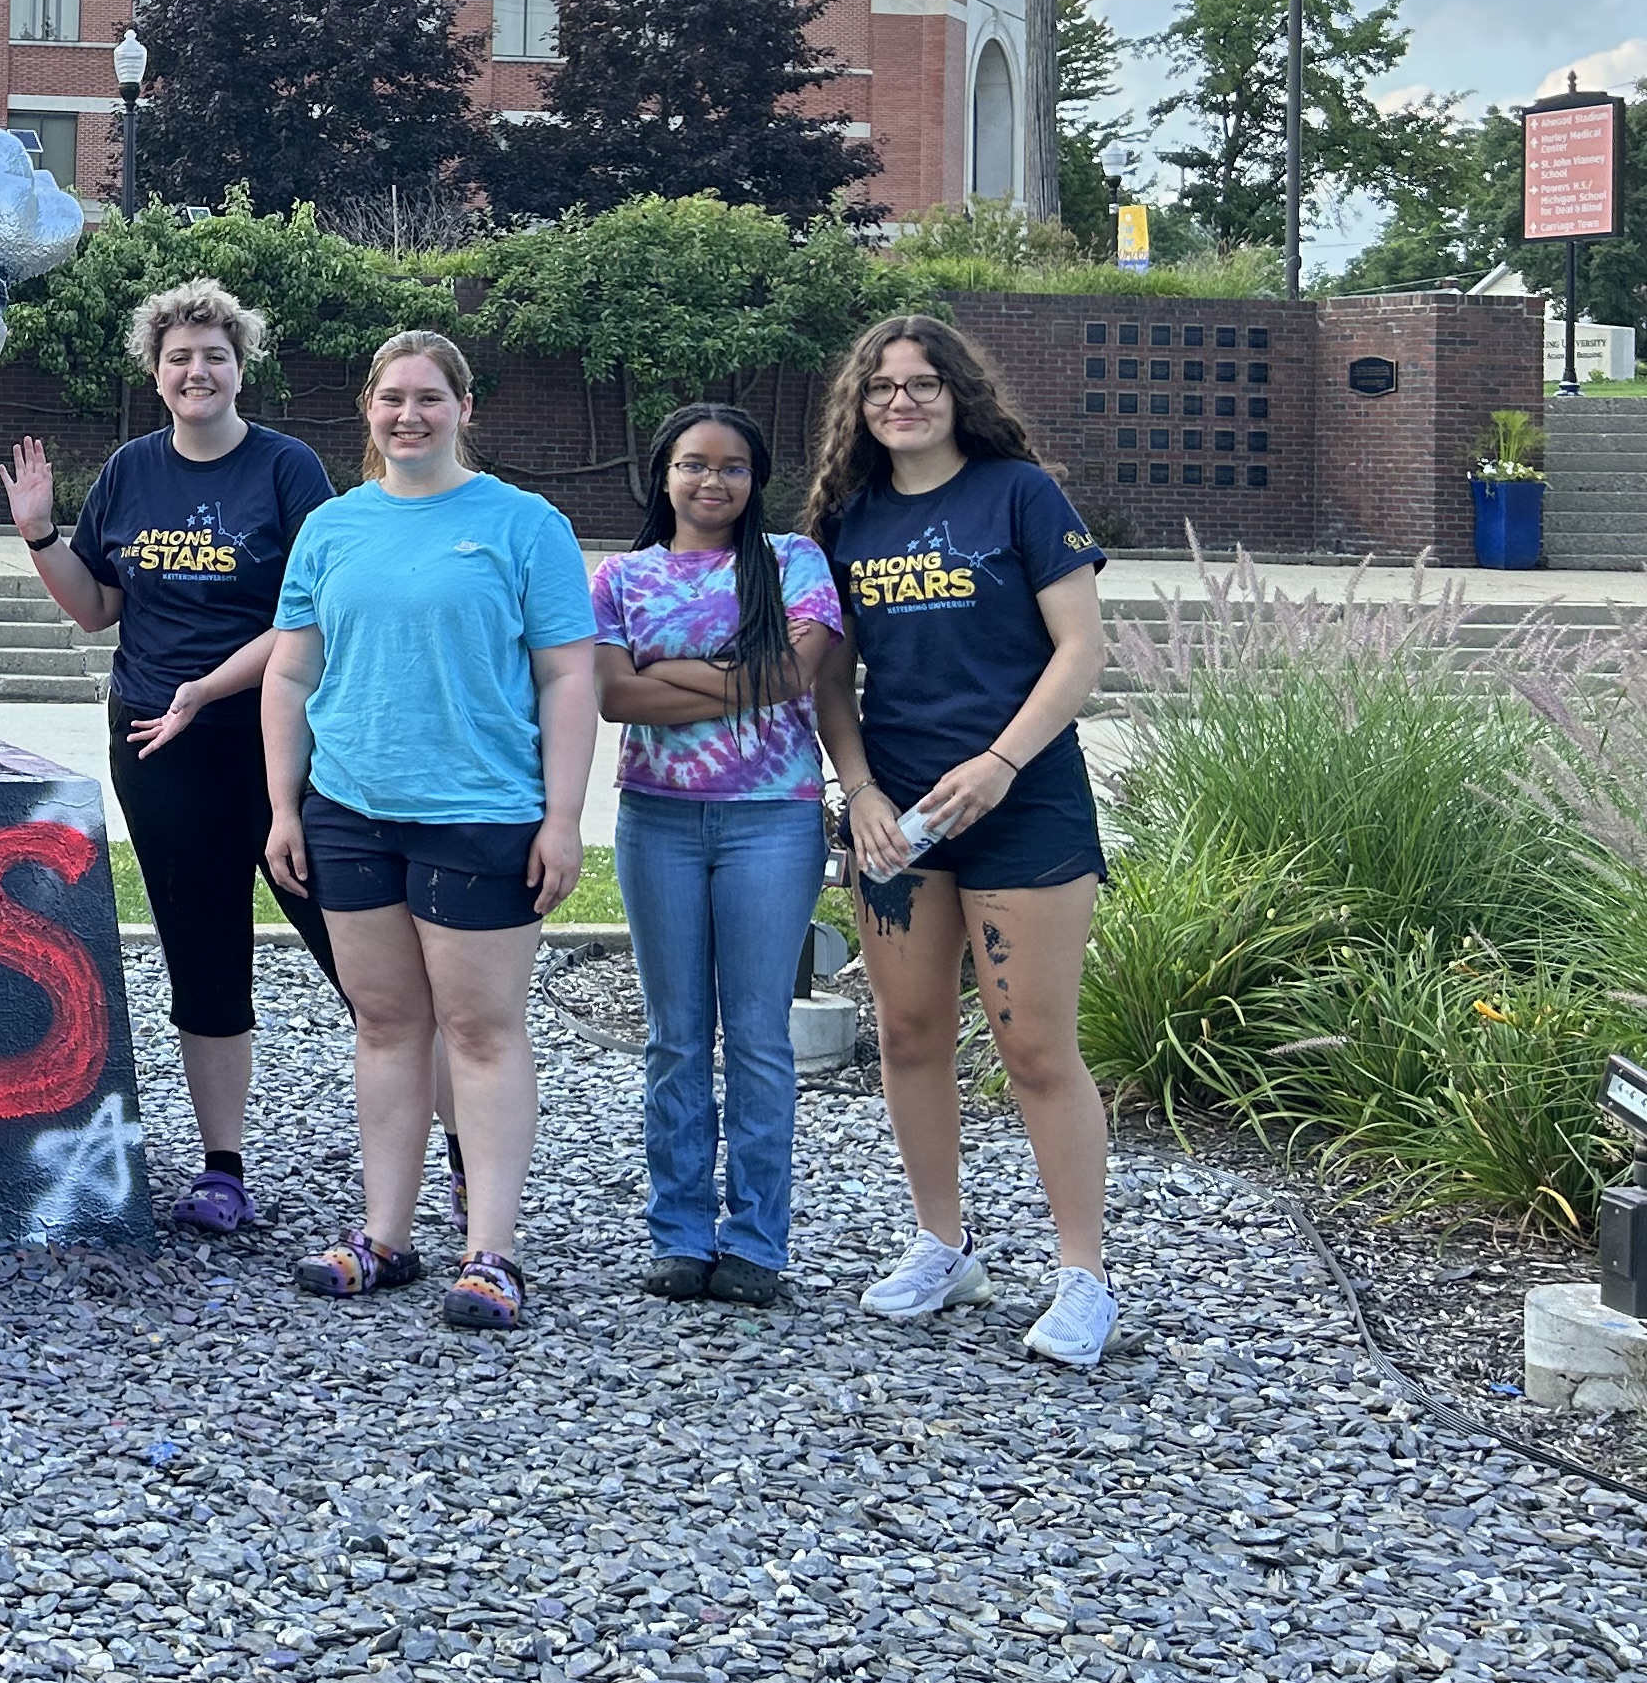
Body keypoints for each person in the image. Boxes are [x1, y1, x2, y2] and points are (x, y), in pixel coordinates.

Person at [260, 330, 594, 1332]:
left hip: (483, 814)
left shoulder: (525, 526)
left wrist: (565, 817)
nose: (409, 415)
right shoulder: (331, 527)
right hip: (351, 810)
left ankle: (492, 1252)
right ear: (368, 410)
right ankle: (385, 1235)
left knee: (483, 1033)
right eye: (391, 398)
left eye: (429, 398)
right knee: (387, 1027)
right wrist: (284, 804)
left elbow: (568, 677)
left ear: (463, 408)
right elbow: (289, 670)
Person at [807, 312, 1119, 1369]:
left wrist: (1000, 764)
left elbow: (1080, 651)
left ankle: (1085, 1274)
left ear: (959, 394)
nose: (903, 401)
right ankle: (944, 1241)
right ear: (861, 405)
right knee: (907, 1033)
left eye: (924, 383)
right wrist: (857, 792)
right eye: (883, 386)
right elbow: (829, 682)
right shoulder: (845, 519)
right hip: (900, 818)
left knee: (1033, 1046)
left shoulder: (1020, 495)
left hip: (1021, 808)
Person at [2, 277, 334, 1234]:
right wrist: (39, 533)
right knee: (202, 949)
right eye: (180, 356)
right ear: (157, 373)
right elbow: (98, 608)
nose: (198, 371)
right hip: (155, 739)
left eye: (215, 356)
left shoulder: (287, 469)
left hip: (275, 733)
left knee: (349, 942)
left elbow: (305, 615)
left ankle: (453, 1146)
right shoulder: (130, 471)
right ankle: (223, 1167)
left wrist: (209, 689)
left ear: (241, 369)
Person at [594, 401, 846, 1311]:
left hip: (771, 821)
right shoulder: (621, 576)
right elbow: (615, 698)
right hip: (656, 820)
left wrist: (678, 675)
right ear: (662, 474)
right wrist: (738, 680)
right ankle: (679, 1234)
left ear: (755, 478)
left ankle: (754, 1243)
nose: (714, 481)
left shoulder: (791, 562)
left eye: (733, 466)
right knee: (673, 1037)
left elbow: (792, 676)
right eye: (694, 464)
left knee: (759, 1037)